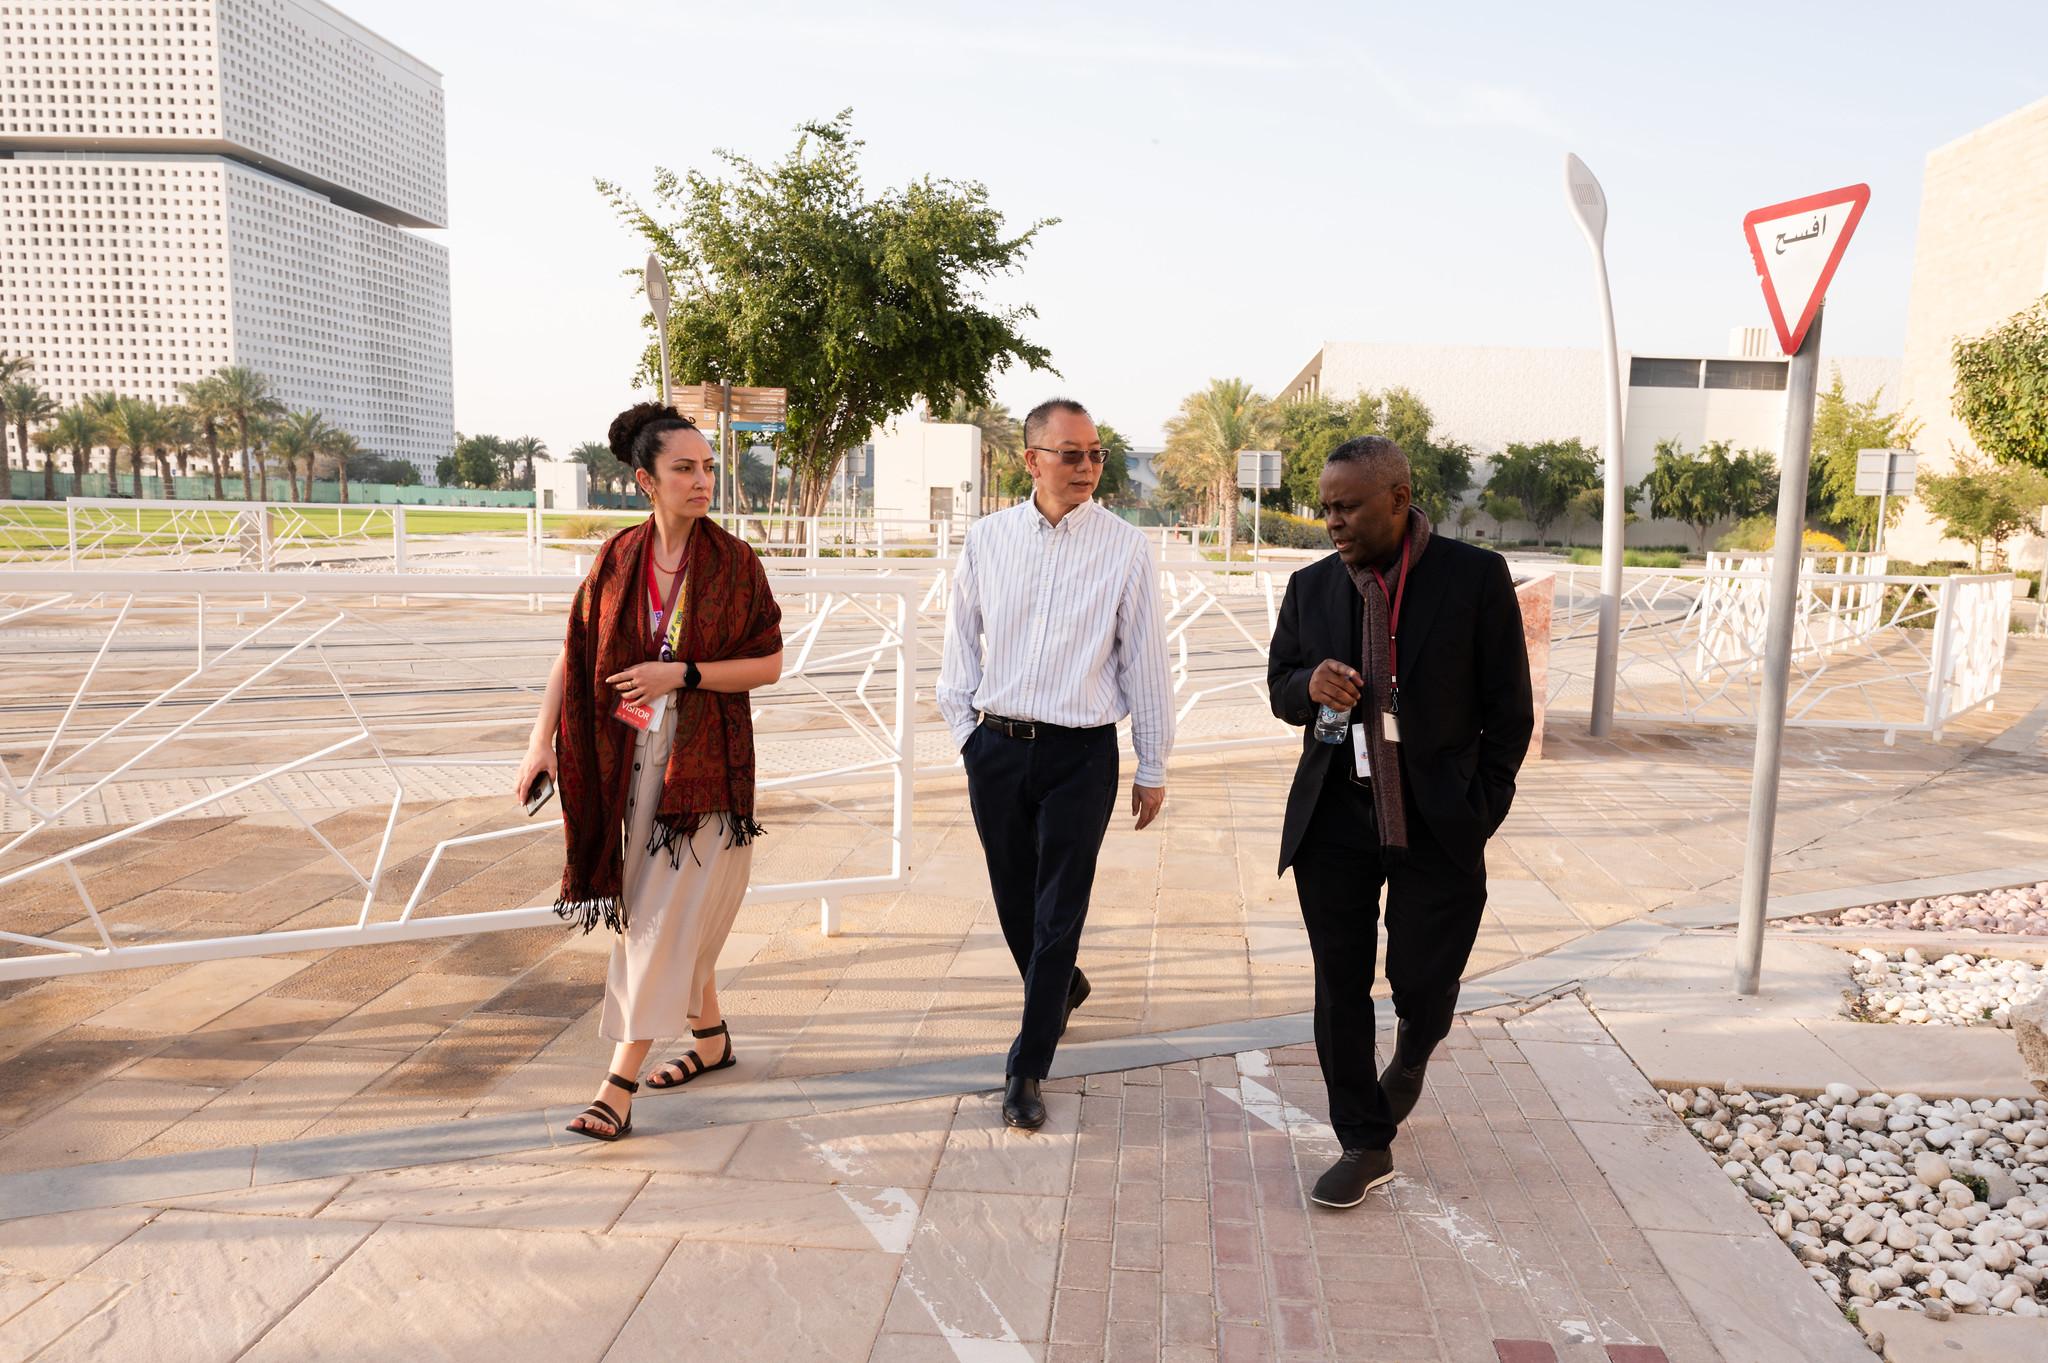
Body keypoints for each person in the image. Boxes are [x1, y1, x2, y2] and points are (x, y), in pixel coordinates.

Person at [1267, 435, 1533, 1206]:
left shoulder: (1473, 578)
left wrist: (1478, 810)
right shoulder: (1311, 587)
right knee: (1338, 984)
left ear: (1397, 496)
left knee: (1422, 976)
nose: (1332, 522)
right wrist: (1309, 684)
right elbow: (1280, 683)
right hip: (1334, 819)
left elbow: (1508, 712)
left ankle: (1415, 1047)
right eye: (1325, 508)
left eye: (1347, 506)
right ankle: (1363, 1139)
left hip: (1436, 820)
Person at [514, 402, 784, 1142]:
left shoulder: (734, 562)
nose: (703, 481)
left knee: (657, 925)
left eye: (707, 467)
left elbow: (769, 662)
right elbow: (575, 649)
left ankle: (617, 1085)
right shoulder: (617, 559)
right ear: (646, 480)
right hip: (620, 763)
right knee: (654, 913)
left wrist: (683, 675)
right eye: (685, 469)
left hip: (705, 770)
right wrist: (542, 741)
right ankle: (713, 1040)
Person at [939, 397, 1175, 1130]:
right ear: (1031, 459)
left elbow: (1146, 662)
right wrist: (966, 736)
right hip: (998, 748)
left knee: (1057, 912)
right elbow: (959, 644)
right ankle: (1062, 986)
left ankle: (1028, 1063)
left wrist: (1152, 762)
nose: (1086, 467)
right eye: (1070, 453)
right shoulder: (987, 539)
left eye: (1096, 453)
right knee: (1015, 897)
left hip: (1082, 755)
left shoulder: (1126, 547)